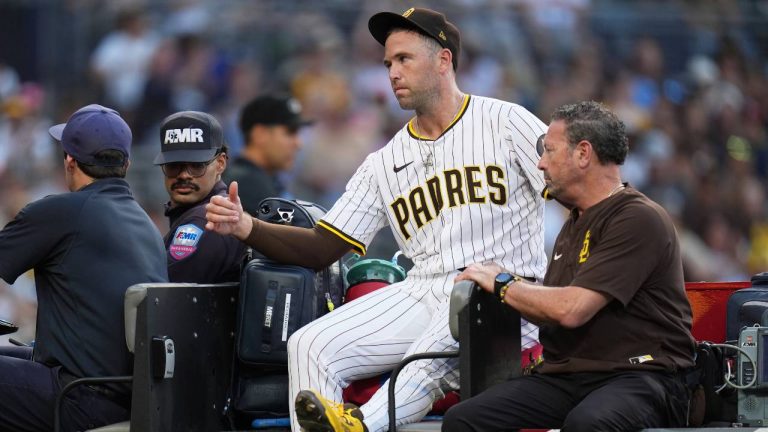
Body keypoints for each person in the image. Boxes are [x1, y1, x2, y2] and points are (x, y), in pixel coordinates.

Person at [206, 7, 547, 432]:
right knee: (309, 344)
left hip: (504, 294)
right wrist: (247, 228)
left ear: (443, 60)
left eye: (404, 59)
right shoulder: (384, 162)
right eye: (388, 63)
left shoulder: (505, 121)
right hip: (425, 288)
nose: (392, 72)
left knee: (431, 352)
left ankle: (358, 426)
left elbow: (576, 190)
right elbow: (321, 248)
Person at [444, 101, 695, 431]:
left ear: (583, 154)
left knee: (587, 424)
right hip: (570, 375)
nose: (540, 163)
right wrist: (503, 282)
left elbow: (572, 310)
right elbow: (554, 306)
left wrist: (504, 282)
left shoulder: (637, 218)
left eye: (549, 150)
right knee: (464, 419)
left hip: (643, 375)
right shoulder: (573, 223)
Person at [0, 104, 168, 432]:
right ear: (127, 163)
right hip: (128, 398)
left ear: (69, 161)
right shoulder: (147, 224)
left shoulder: (61, 212)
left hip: (81, 398)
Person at [154, 111, 247, 283]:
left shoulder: (208, 220)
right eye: (173, 166)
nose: (184, 175)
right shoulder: (203, 214)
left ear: (220, 163)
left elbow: (162, 299)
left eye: (197, 166)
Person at [222, 94, 312, 215]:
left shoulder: (263, 180)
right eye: (290, 132)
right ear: (260, 134)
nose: (298, 143)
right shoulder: (249, 186)